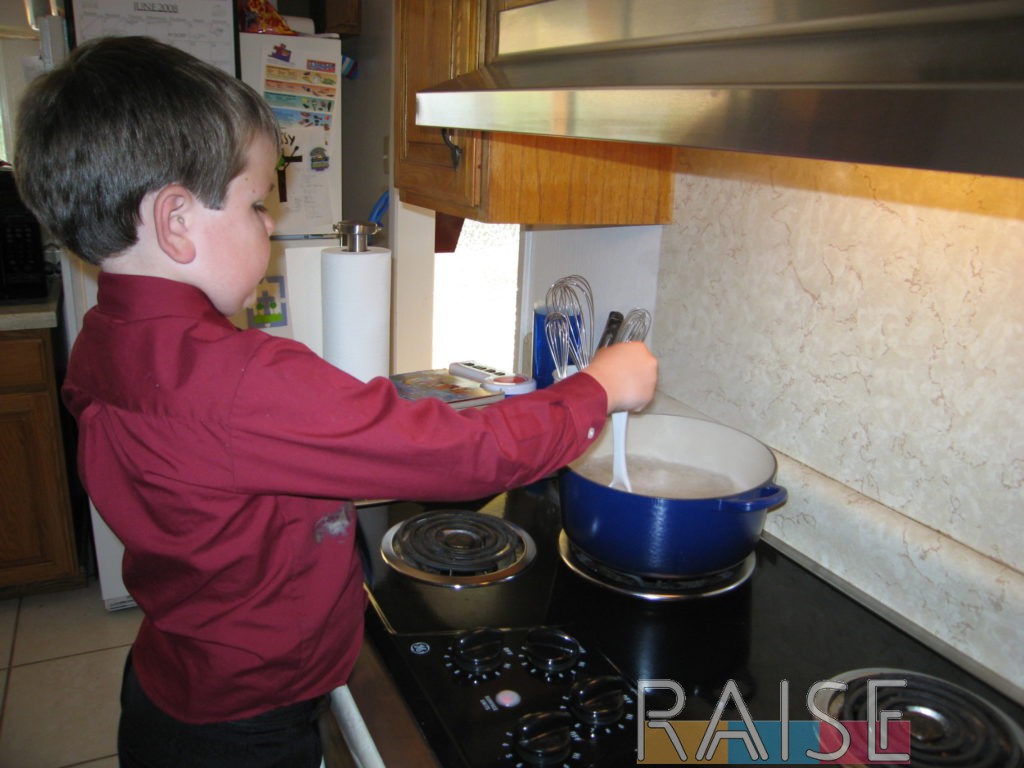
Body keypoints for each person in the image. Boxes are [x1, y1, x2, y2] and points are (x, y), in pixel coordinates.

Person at [15, 36, 658, 767]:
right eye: (256, 205)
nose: (269, 226)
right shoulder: (234, 379)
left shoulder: (107, 334)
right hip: (247, 731)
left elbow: (271, 455)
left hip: (173, 688)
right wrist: (595, 388)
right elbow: (459, 457)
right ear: (175, 222)